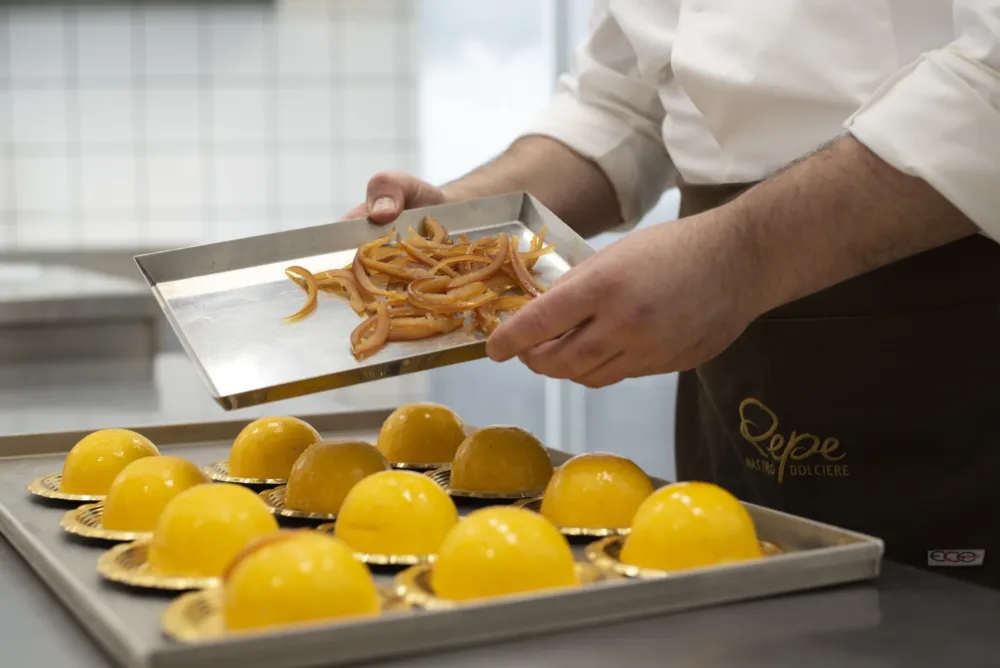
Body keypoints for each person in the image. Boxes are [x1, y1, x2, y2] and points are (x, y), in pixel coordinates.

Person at [344, 1, 1000, 589]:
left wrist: (741, 256)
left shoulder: (744, 255)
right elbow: (623, 107)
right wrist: (468, 225)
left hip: (952, 320)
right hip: (738, 367)